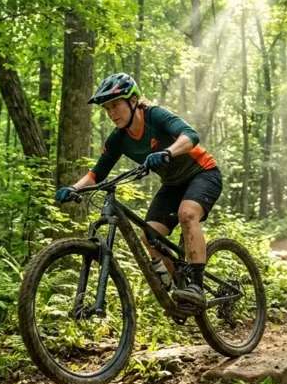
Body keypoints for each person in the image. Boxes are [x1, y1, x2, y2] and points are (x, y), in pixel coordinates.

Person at [55, 73, 223, 308]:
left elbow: (191, 136)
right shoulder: (118, 138)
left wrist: (168, 152)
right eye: (107, 109)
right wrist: (74, 188)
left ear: (133, 101)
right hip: (172, 184)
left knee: (187, 213)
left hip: (203, 173)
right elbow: (97, 173)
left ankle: (196, 285)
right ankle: (181, 286)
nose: (112, 113)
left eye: (116, 105)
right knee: (150, 236)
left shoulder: (155, 116)